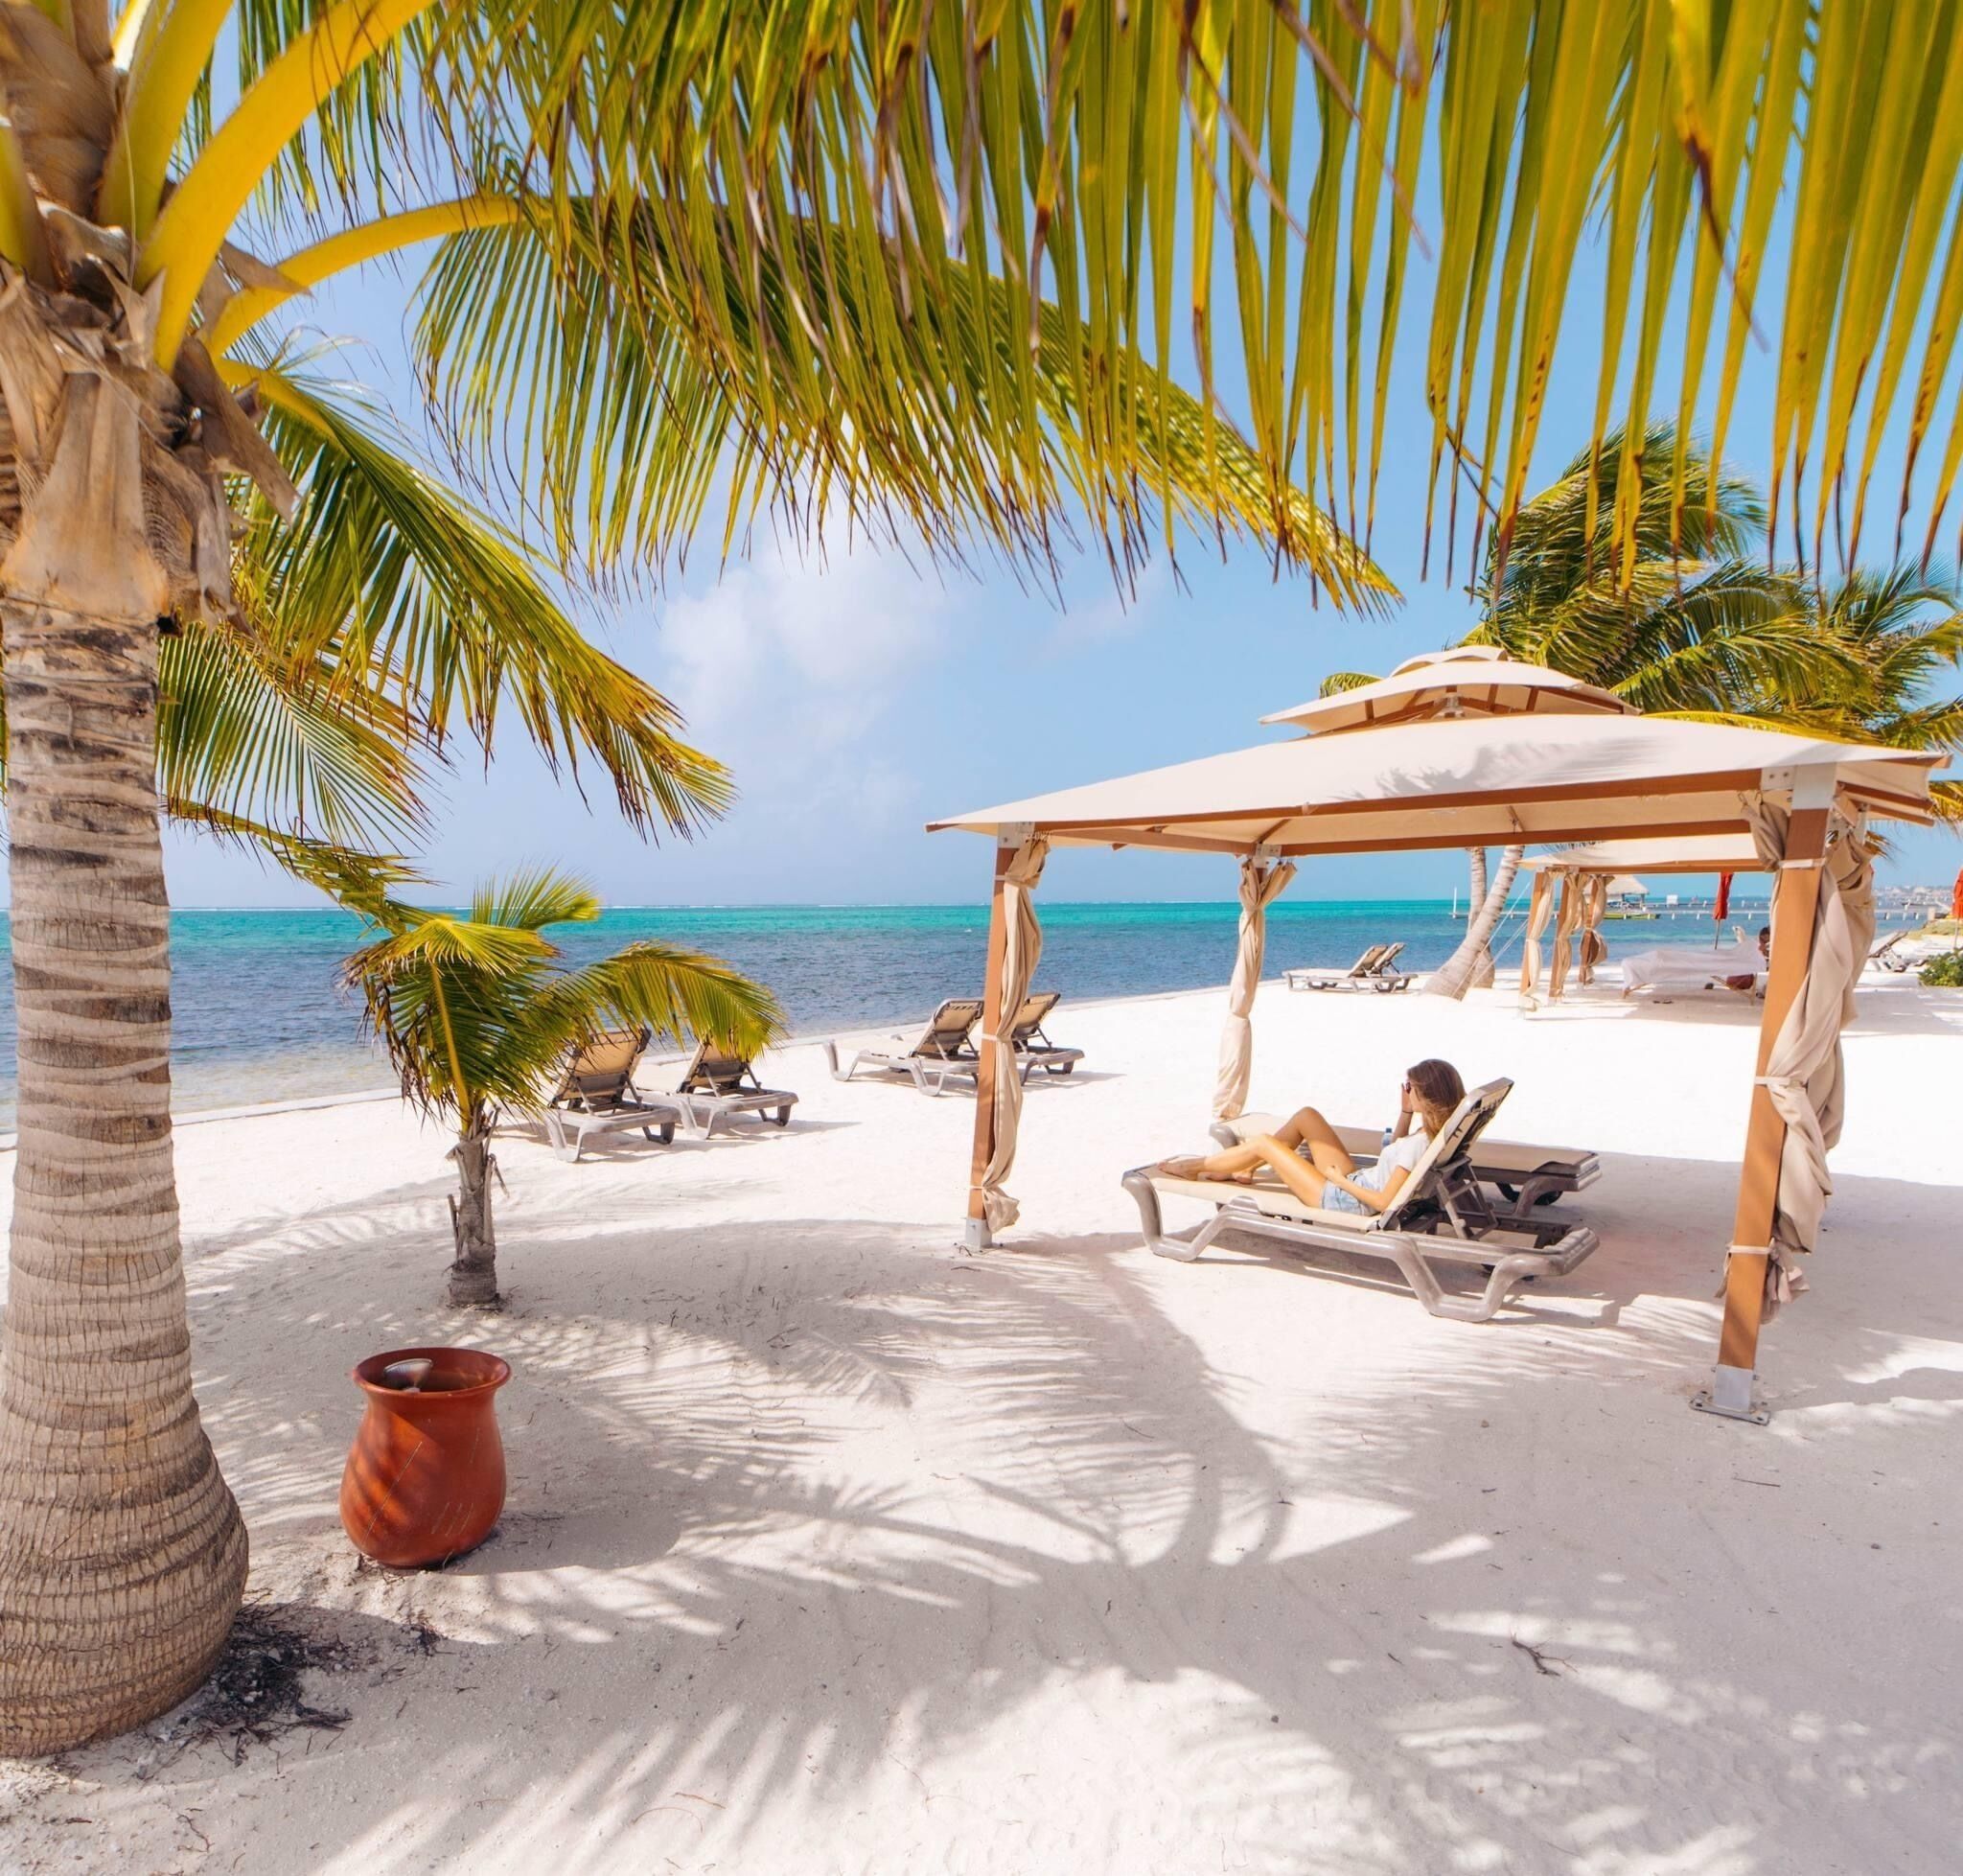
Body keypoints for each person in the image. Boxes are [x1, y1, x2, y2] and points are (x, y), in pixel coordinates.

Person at [1157, 1058, 1466, 1216]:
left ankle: (1193, 1167)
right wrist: (1406, 1112)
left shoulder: (1418, 1146)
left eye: (1409, 1087)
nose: (1405, 1090)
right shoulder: (1431, 1134)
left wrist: (1339, 1180)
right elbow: (1397, 1149)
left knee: (1266, 1142)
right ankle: (1245, 1169)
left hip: (1346, 1200)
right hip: (1359, 1183)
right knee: (1307, 1115)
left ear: (1424, 1095)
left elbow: (1386, 1203)